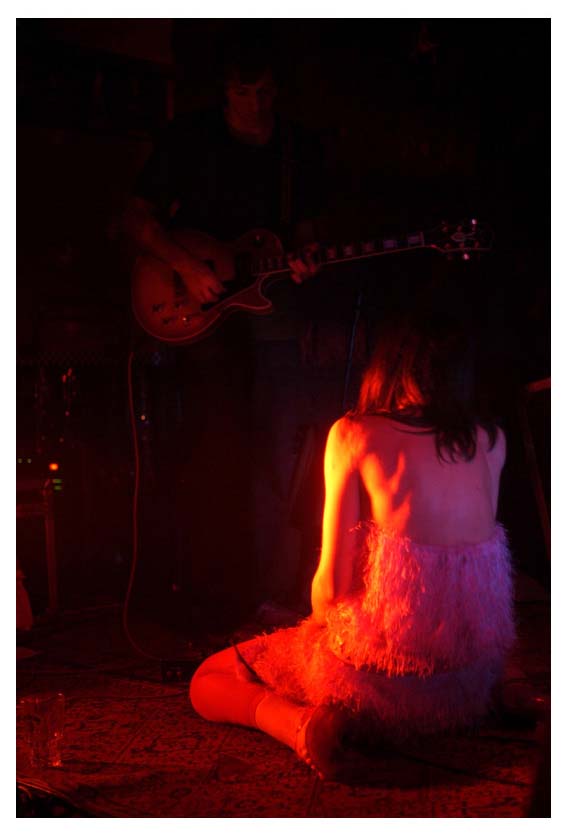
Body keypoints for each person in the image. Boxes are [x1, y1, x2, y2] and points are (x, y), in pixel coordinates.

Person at [189, 310, 519, 780]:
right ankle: (511, 693)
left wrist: (311, 629)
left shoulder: (354, 433)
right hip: (468, 687)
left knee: (210, 679)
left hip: (374, 689)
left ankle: (302, 728)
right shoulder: (491, 440)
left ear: (387, 365)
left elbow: (331, 589)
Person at [122, 30, 326, 626]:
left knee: (284, 450)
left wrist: (307, 258)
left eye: (264, 91)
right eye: (243, 92)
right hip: (205, 318)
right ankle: (215, 592)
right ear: (224, 92)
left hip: (273, 310)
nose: (255, 104)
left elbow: (305, 231)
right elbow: (134, 218)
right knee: (218, 450)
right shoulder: (191, 138)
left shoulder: (296, 148)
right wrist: (186, 266)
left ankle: (275, 593)